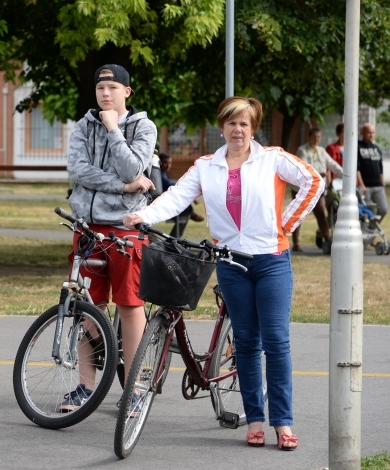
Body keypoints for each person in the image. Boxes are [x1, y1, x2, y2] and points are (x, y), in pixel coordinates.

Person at [124, 97, 323, 451]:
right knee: (246, 343)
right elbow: (177, 197)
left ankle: (283, 422)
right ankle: (255, 420)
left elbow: (313, 181)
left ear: (253, 128)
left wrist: (286, 223)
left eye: (244, 123)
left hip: (271, 260)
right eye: (231, 123)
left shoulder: (272, 158)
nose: (238, 129)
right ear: (222, 127)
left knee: (276, 342)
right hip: (231, 264)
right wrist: (145, 216)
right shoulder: (206, 166)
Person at [63, 63, 157, 411]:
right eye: (101, 87)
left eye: (113, 88)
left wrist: (114, 130)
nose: (105, 93)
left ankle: (132, 390)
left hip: (126, 229)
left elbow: (135, 168)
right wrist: (121, 186)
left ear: (127, 93)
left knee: (130, 306)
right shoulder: (83, 125)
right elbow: (78, 169)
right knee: (88, 307)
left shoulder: (143, 126)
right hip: (88, 228)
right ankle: (86, 386)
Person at [291, 127, 343, 252]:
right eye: (314, 136)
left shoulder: (321, 151)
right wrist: (319, 174)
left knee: (321, 213)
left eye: (319, 137)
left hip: (318, 189)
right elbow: (304, 168)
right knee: (299, 215)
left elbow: (332, 164)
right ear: (308, 137)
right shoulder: (302, 150)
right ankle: (296, 243)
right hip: (302, 189)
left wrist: (345, 174)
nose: (316, 139)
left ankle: (328, 240)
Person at [157, 152, 205, 237]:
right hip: (160, 204)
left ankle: (173, 240)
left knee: (184, 213)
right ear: (159, 163)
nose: (168, 165)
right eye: (165, 163)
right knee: (184, 213)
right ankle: (173, 241)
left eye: (170, 163)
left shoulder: (162, 174)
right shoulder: (159, 174)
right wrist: (193, 198)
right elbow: (173, 186)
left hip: (165, 202)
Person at [356, 123, 387, 223]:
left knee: (383, 209)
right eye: (369, 132)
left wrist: (382, 183)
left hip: (378, 186)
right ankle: (365, 236)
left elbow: (380, 168)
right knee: (367, 212)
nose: (371, 135)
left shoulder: (377, 148)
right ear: (362, 133)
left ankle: (372, 229)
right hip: (365, 187)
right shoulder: (357, 147)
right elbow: (357, 168)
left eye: (373, 133)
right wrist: (361, 185)